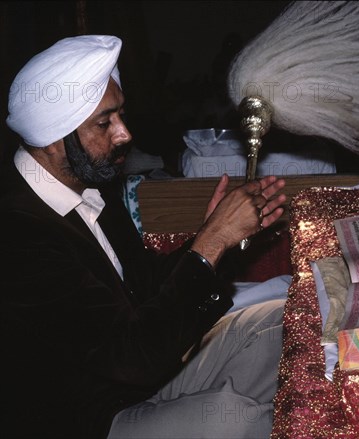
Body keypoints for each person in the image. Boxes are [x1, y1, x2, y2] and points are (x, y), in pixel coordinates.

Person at [0, 35, 288, 439]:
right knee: (234, 419)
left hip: (144, 383)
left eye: (120, 115)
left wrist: (206, 237)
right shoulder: (17, 233)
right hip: (90, 420)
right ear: (53, 136)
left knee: (275, 321)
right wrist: (214, 239)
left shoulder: (90, 181)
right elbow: (132, 356)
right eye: (105, 123)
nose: (124, 134)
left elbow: (142, 287)